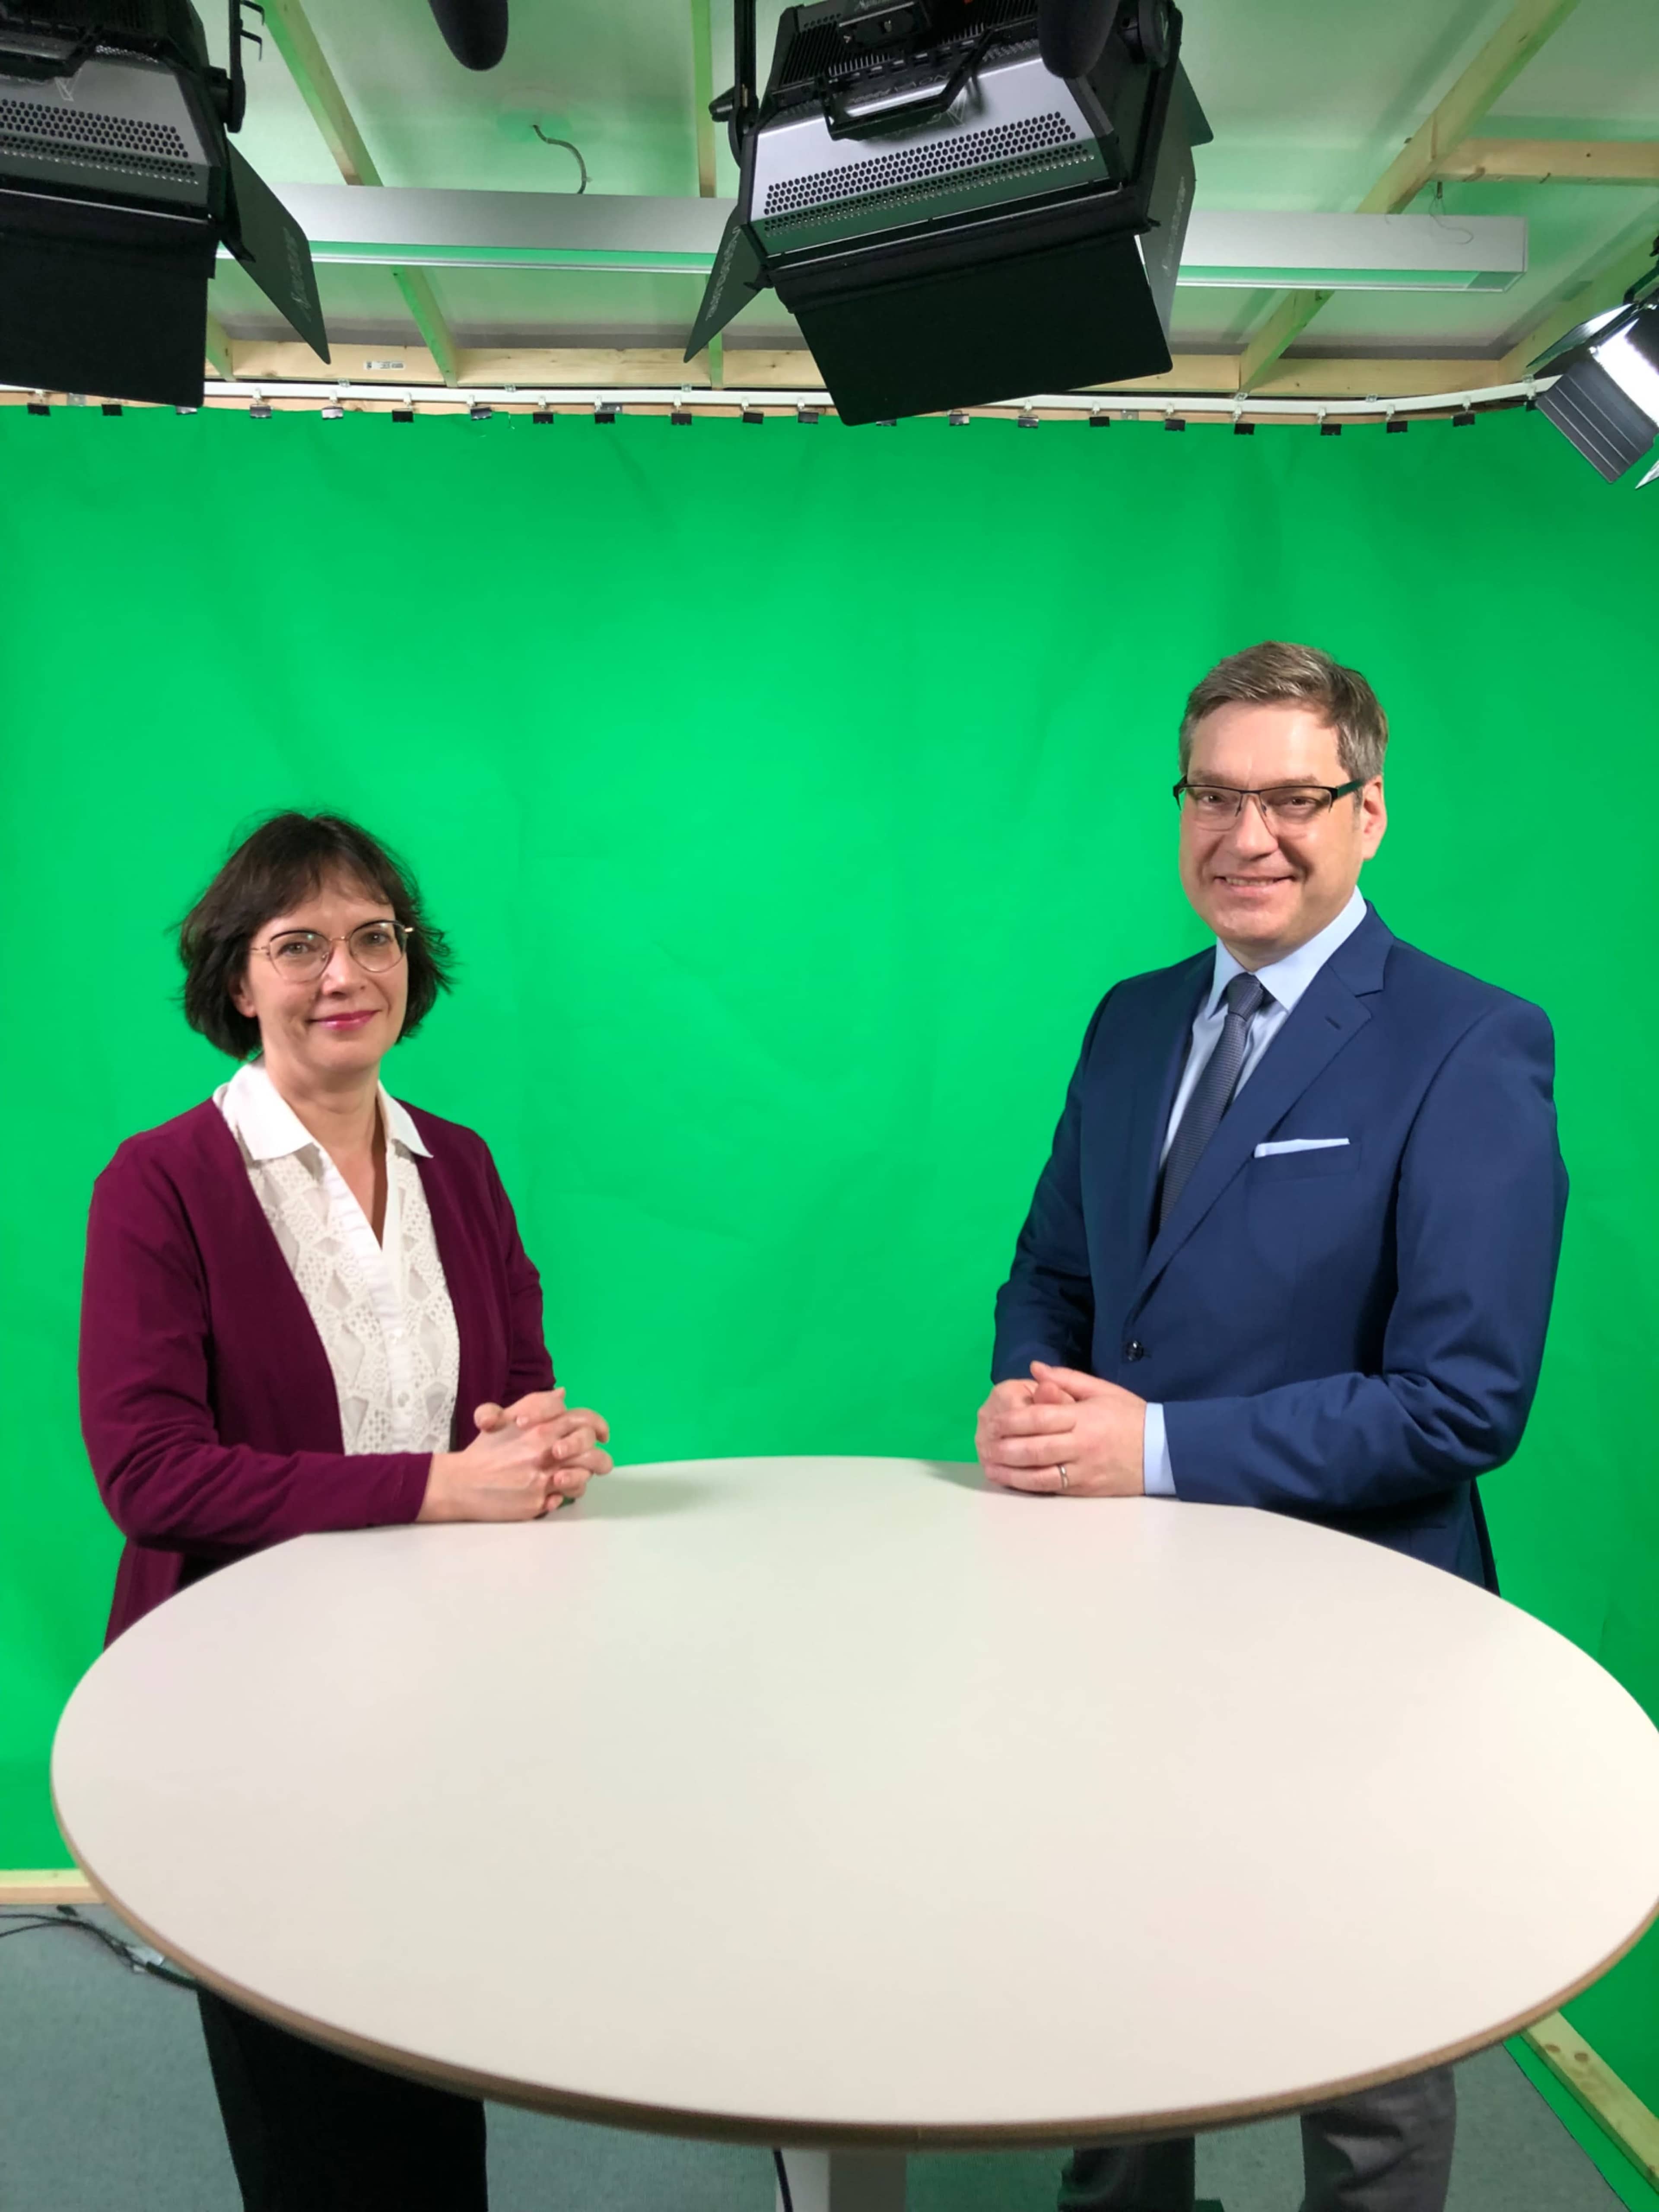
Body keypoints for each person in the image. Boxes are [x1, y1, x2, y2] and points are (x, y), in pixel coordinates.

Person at [977, 642, 1567, 2212]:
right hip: (1120, 1613)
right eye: (1215, 796)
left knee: (1367, 2032)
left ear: (1369, 812)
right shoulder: (1127, 1020)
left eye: (1294, 798)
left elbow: (1464, 1402)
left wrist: (1151, 1448)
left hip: (1358, 1628)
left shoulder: (1469, 1043)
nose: (1249, 836)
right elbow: (1055, 1270)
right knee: (1119, 1991)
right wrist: (1037, 1396)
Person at [80, 811, 613, 2212]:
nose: (344, 973)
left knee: (434, 2071)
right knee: (314, 2115)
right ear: (236, 980)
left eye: (373, 938)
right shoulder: (161, 1184)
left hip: (446, 1702)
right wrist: (448, 1487)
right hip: (247, 1713)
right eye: (297, 944)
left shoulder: (464, 1164)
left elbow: (508, 1384)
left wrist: (542, 1439)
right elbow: (151, 1475)